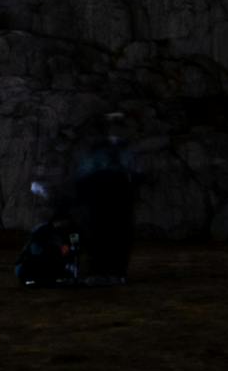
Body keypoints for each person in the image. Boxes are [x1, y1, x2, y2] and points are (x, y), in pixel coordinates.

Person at [16, 124, 143, 290]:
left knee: (104, 235)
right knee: (101, 236)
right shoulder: (94, 163)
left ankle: (107, 272)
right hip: (103, 196)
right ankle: (106, 272)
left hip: (103, 197)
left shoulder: (98, 165)